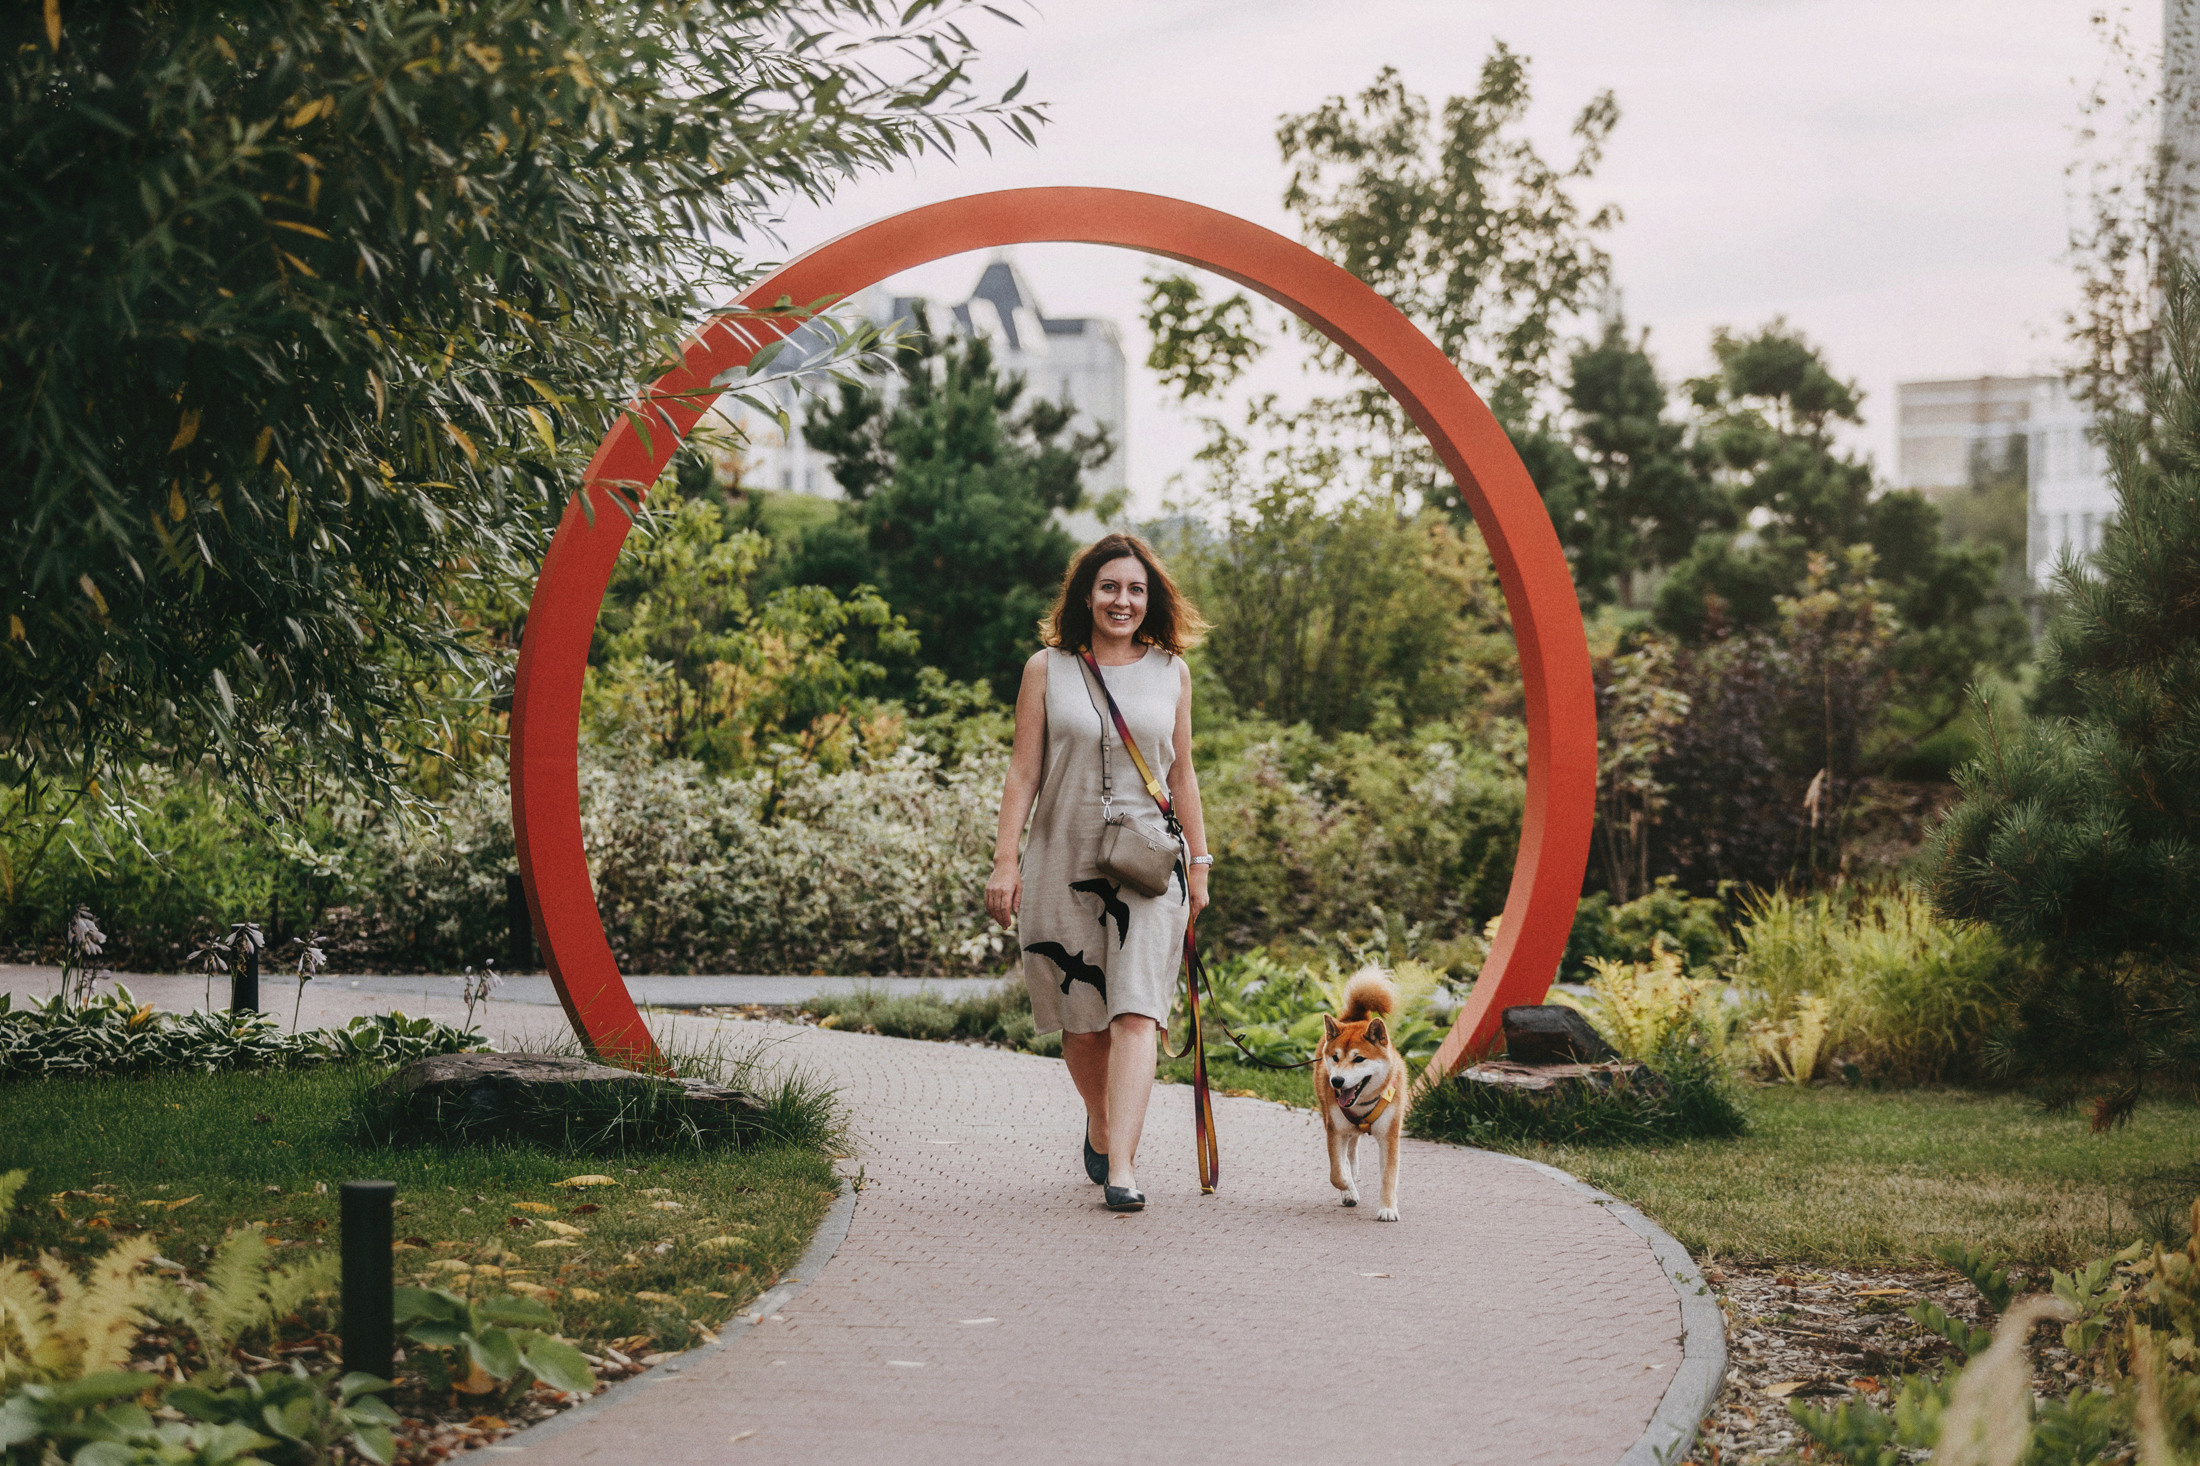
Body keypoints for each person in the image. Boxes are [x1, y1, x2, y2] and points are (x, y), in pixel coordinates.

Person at [986, 534, 1212, 1212]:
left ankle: (1123, 1167)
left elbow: (1182, 772)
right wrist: (1005, 861)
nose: (1123, 600)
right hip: (1061, 855)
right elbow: (1023, 770)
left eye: (1136, 589)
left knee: (1136, 1011)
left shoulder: (1171, 671)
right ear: (1086, 594)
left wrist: (1199, 864)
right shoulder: (1045, 669)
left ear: (1151, 600)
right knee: (1081, 1020)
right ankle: (1101, 1120)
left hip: (1146, 865)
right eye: (1110, 587)